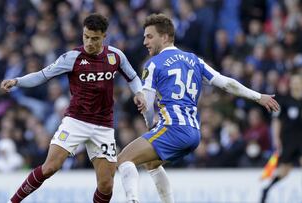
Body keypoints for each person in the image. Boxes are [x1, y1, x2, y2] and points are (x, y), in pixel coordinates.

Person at [117, 13, 280, 203]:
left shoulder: (153, 64)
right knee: (151, 163)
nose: (145, 41)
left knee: (123, 160)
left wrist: (149, 124)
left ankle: (132, 201)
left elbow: (147, 105)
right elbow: (226, 83)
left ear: (165, 37)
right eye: (144, 36)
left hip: (173, 128)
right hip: (194, 133)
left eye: (149, 36)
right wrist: (259, 96)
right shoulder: (194, 60)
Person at [1, 13, 146, 203]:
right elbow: (42, 75)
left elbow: (133, 77)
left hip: (103, 126)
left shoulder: (115, 56)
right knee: (50, 167)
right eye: (86, 37)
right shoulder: (72, 57)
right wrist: (17, 81)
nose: (89, 42)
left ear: (104, 36)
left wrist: (139, 93)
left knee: (106, 185)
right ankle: (12, 202)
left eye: (94, 39)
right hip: (76, 121)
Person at [260, 73, 302, 203]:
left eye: (298, 82)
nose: (295, 84)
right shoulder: (285, 101)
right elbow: (277, 121)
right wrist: (276, 139)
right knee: (284, 171)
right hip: (288, 140)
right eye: (293, 82)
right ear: (290, 84)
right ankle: (267, 189)